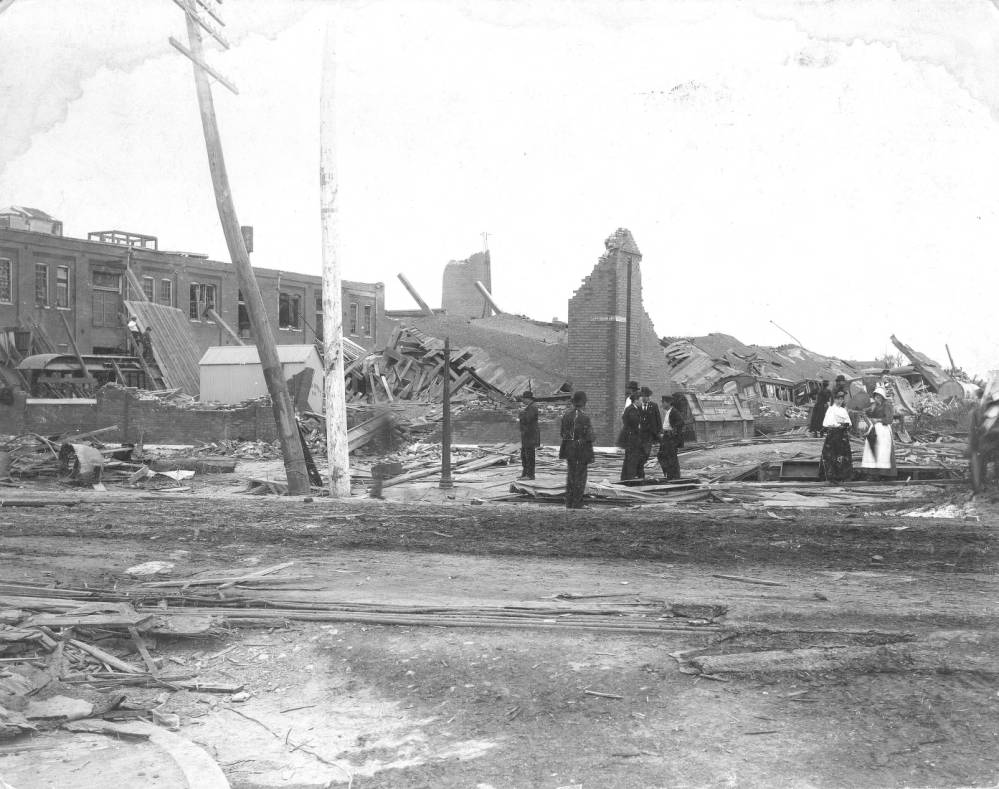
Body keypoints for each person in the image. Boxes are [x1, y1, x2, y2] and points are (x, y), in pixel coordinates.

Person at [560, 391, 595, 509]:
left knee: (570, 476)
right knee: (580, 477)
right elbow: (590, 436)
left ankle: (569, 502)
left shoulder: (566, 415)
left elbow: (562, 433)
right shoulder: (585, 417)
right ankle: (577, 503)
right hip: (581, 451)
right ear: (583, 403)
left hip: (569, 450)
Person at [861, 386, 896, 479]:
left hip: (884, 430)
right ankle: (873, 474)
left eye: (879, 396)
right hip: (874, 429)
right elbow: (864, 412)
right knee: (872, 451)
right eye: (876, 396)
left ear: (883, 397)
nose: (877, 398)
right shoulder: (874, 405)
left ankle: (884, 474)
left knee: (883, 452)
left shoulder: (887, 405)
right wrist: (869, 422)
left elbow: (889, 419)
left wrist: (878, 420)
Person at [820, 389, 853, 483]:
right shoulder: (830, 409)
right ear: (834, 399)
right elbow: (826, 423)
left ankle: (843, 476)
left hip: (843, 436)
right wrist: (837, 425)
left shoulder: (843, 410)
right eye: (838, 399)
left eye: (841, 399)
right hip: (833, 436)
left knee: (843, 455)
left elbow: (849, 422)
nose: (839, 401)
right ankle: (832, 476)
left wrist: (845, 425)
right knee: (831, 455)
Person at [636, 386, 663, 479]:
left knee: (646, 453)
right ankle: (640, 472)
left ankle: (640, 470)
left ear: (649, 397)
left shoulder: (653, 406)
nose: (645, 398)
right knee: (641, 453)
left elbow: (658, 419)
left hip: (650, 434)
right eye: (643, 396)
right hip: (640, 435)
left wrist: (659, 431)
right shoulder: (638, 407)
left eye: (646, 396)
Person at [657, 394, 685, 480]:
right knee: (662, 455)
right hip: (666, 437)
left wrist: (672, 432)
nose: (662, 404)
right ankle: (670, 475)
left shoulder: (674, 412)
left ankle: (674, 477)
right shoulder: (668, 412)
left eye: (663, 402)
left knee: (671, 457)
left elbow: (681, 423)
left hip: (671, 439)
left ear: (668, 403)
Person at [618, 392, 643, 480]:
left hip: (630, 437)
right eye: (640, 400)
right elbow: (634, 422)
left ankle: (625, 476)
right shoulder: (632, 410)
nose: (641, 402)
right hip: (632, 437)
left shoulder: (631, 408)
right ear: (636, 401)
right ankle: (630, 477)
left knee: (629, 457)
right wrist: (639, 426)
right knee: (632, 457)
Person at [517, 390, 540, 480]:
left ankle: (530, 475)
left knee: (529, 455)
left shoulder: (533, 407)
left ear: (528, 399)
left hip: (530, 435)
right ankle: (525, 473)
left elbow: (527, 419)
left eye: (524, 399)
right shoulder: (530, 407)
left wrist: (521, 413)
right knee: (524, 454)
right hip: (527, 435)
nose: (523, 400)